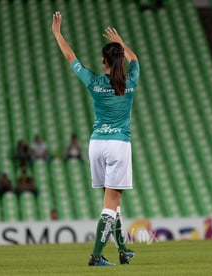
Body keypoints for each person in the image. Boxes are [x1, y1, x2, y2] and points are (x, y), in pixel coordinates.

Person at [52, 12, 139, 266]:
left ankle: (122, 250)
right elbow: (135, 59)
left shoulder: (94, 82)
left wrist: (57, 33)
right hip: (119, 145)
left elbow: (71, 58)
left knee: (111, 199)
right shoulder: (131, 81)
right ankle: (96, 256)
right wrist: (121, 42)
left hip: (96, 144)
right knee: (111, 202)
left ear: (103, 61)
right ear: (120, 59)